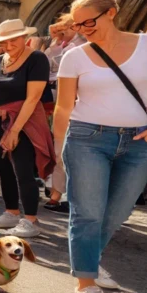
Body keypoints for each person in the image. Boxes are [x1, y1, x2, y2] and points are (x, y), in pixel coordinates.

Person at [53, 0, 147, 293]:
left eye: (88, 21)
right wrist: (57, 152)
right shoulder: (74, 56)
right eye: (78, 25)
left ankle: (89, 260)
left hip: (139, 141)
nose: (83, 29)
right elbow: (63, 107)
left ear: (112, 13)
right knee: (87, 213)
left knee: (118, 212)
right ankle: (85, 284)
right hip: (86, 139)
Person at [0, 20, 54, 239]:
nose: (9, 45)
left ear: (24, 38)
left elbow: (33, 98)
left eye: (13, 39)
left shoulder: (37, 59)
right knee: (3, 169)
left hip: (25, 121)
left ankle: (31, 219)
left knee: (23, 170)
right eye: (4, 41)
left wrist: (14, 130)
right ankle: (11, 212)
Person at [43, 15, 86, 213]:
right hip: (63, 101)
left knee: (73, 155)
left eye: (65, 29)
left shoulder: (82, 45)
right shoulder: (62, 46)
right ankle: (56, 194)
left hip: (79, 106)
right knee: (59, 151)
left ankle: (68, 196)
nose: (61, 34)